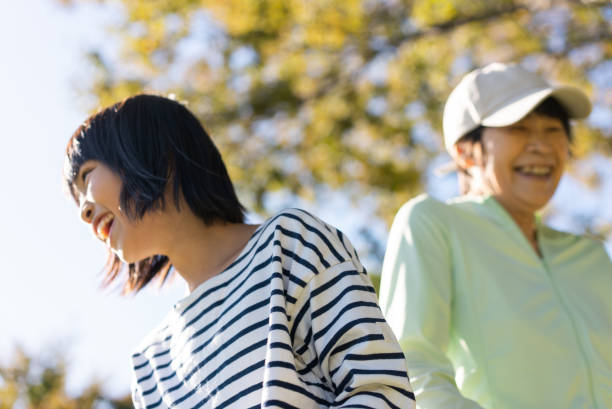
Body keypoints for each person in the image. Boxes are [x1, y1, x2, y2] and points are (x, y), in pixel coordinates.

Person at [63, 94, 415, 409]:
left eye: (88, 175)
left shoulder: (289, 245)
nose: (83, 212)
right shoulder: (150, 364)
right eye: (77, 202)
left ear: (153, 151)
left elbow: (380, 390)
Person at [379, 62, 612, 409]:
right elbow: (408, 368)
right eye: (519, 128)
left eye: (553, 129)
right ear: (465, 152)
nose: (542, 146)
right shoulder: (433, 223)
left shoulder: (590, 257)